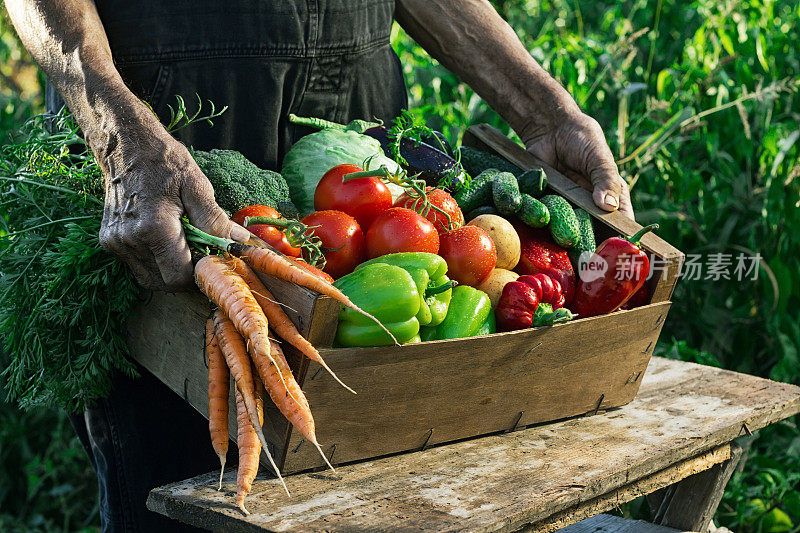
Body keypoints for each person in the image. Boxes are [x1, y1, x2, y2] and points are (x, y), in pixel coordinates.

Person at [7, 1, 634, 531]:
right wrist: (117, 132)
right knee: (186, 493)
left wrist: (543, 111)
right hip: (167, 134)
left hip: (358, 133)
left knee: (390, 492)